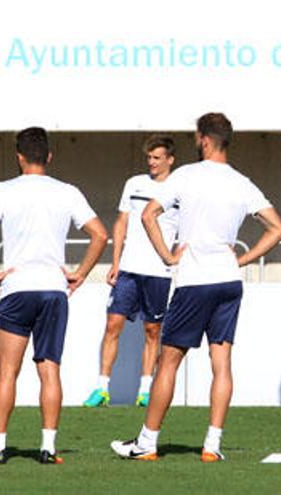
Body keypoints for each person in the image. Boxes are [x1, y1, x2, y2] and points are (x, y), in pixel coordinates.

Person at [110, 113, 281, 462]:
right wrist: (243, 259)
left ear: (204, 140)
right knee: (221, 362)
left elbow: (147, 215)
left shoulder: (186, 175)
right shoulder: (242, 182)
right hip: (228, 281)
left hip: (195, 282)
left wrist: (167, 256)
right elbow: (278, 229)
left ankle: (147, 443)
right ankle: (212, 445)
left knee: (169, 361)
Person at [0, 127, 108, 465]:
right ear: (48, 156)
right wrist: (80, 272)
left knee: (7, 370)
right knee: (49, 369)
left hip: (18, 288)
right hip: (53, 289)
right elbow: (99, 234)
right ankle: (48, 447)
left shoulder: (4, 190)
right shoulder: (67, 191)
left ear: (19, 157)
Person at [84, 135, 178, 408]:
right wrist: (115, 262)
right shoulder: (134, 184)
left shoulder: (179, 190)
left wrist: (177, 257)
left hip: (158, 272)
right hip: (128, 268)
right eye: (149, 157)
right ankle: (102, 389)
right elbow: (121, 221)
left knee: (152, 330)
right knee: (113, 325)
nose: (152, 162)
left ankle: (145, 391)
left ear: (170, 160)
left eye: (157, 158)